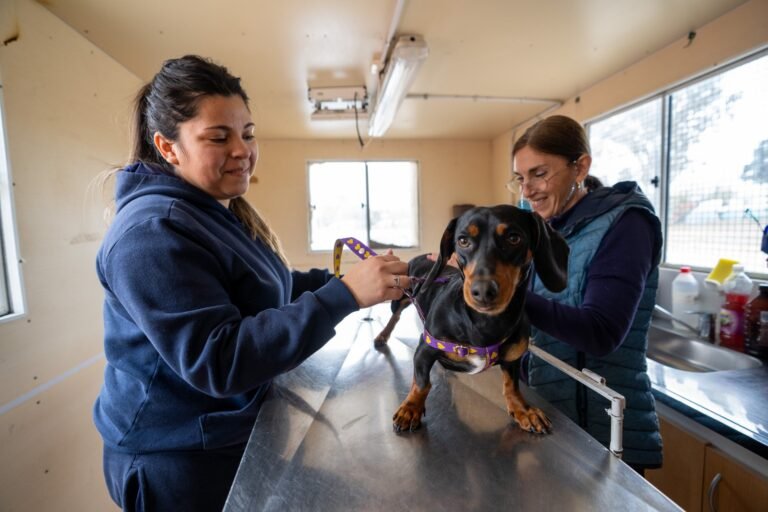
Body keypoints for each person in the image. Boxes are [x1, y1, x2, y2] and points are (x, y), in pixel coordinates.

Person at [94, 55, 410, 511]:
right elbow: (218, 360)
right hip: (177, 460)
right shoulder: (151, 233)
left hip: (223, 433)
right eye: (218, 137)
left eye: (247, 133)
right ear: (167, 147)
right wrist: (343, 295)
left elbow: (269, 286)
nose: (242, 150)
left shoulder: (210, 210)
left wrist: (359, 280)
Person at [510, 115, 663, 474]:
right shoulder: (548, 228)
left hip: (602, 433)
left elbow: (601, 332)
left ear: (580, 167)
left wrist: (505, 296)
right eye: (520, 178)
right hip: (554, 416)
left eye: (539, 173)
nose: (526, 191)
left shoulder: (627, 224)